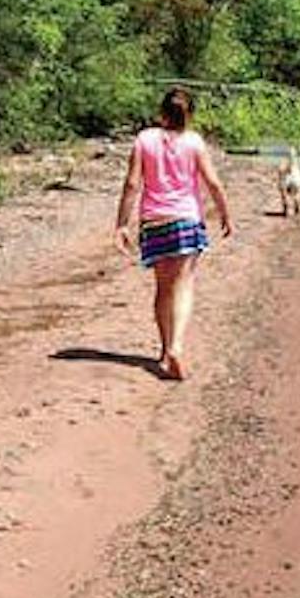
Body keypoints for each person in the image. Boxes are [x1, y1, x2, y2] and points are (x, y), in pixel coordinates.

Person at [114, 86, 233, 381]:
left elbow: (132, 184)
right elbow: (213, 182)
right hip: (186, 221)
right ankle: (177, 347)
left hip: (154, 223)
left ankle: (165, 350)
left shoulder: (144, 139)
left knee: (163, 288)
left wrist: (121, 224)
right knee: (184, 285)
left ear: (161, 113)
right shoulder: (194, 142)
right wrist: (225, 214)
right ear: (188, 115)